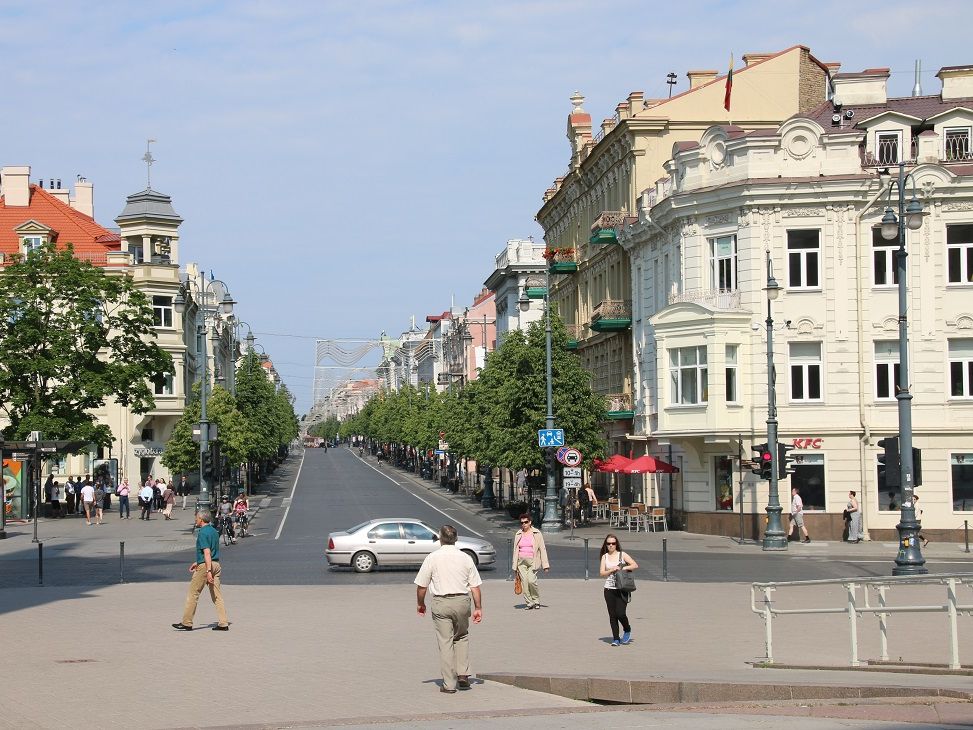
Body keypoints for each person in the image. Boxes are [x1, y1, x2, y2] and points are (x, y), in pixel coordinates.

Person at [414, 524, 483, 694]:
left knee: (445, 642)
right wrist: (478, 607)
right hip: (462, 602)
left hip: (441, 603)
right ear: (456, 539)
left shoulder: (432, 557)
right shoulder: (465, 558)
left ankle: (449, 684)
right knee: (462, 636)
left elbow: (422, 586)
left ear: (440, 539)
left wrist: (420, 604)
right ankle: (463, 675)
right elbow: (475, 586)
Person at [172, 511, 229, 631]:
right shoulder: (214, 531)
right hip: (216, 564)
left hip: (206, 566)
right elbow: (211, 552)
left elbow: (207, 552)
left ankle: (187, 622)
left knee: (193, 593)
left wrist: (207, 570)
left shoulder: (202, 532)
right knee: (217, 596)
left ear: (201, 519)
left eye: (196, 518)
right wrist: (198, 562)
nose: (195, 520)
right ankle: (223, 622)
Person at [599, 533, 639, 646]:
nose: (611, 545)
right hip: (609, 589)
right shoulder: (604, 557)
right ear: (606, 545)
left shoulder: (622, 555)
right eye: (608, 543)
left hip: (622, 588)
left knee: (620, 613)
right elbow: (602, 573)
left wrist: (622, 567)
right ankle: (616, 638)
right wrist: (611, 570)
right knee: (612, 615)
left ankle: (627, 629)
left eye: (613, 543)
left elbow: (635, 565)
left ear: (616, 544)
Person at [512, 513, 550, 609]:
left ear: (530, 522)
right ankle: (530, 603)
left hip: (533, 561)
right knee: (524, 582)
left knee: (532, 581)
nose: (524, 524)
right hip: (521, 562)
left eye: (526, 522)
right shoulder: (518, 534)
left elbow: (542, 549)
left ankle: (536, 601)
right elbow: (515, 550)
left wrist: (545, 565)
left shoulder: (537, 533)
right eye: (522, 522)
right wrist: (514, 565)